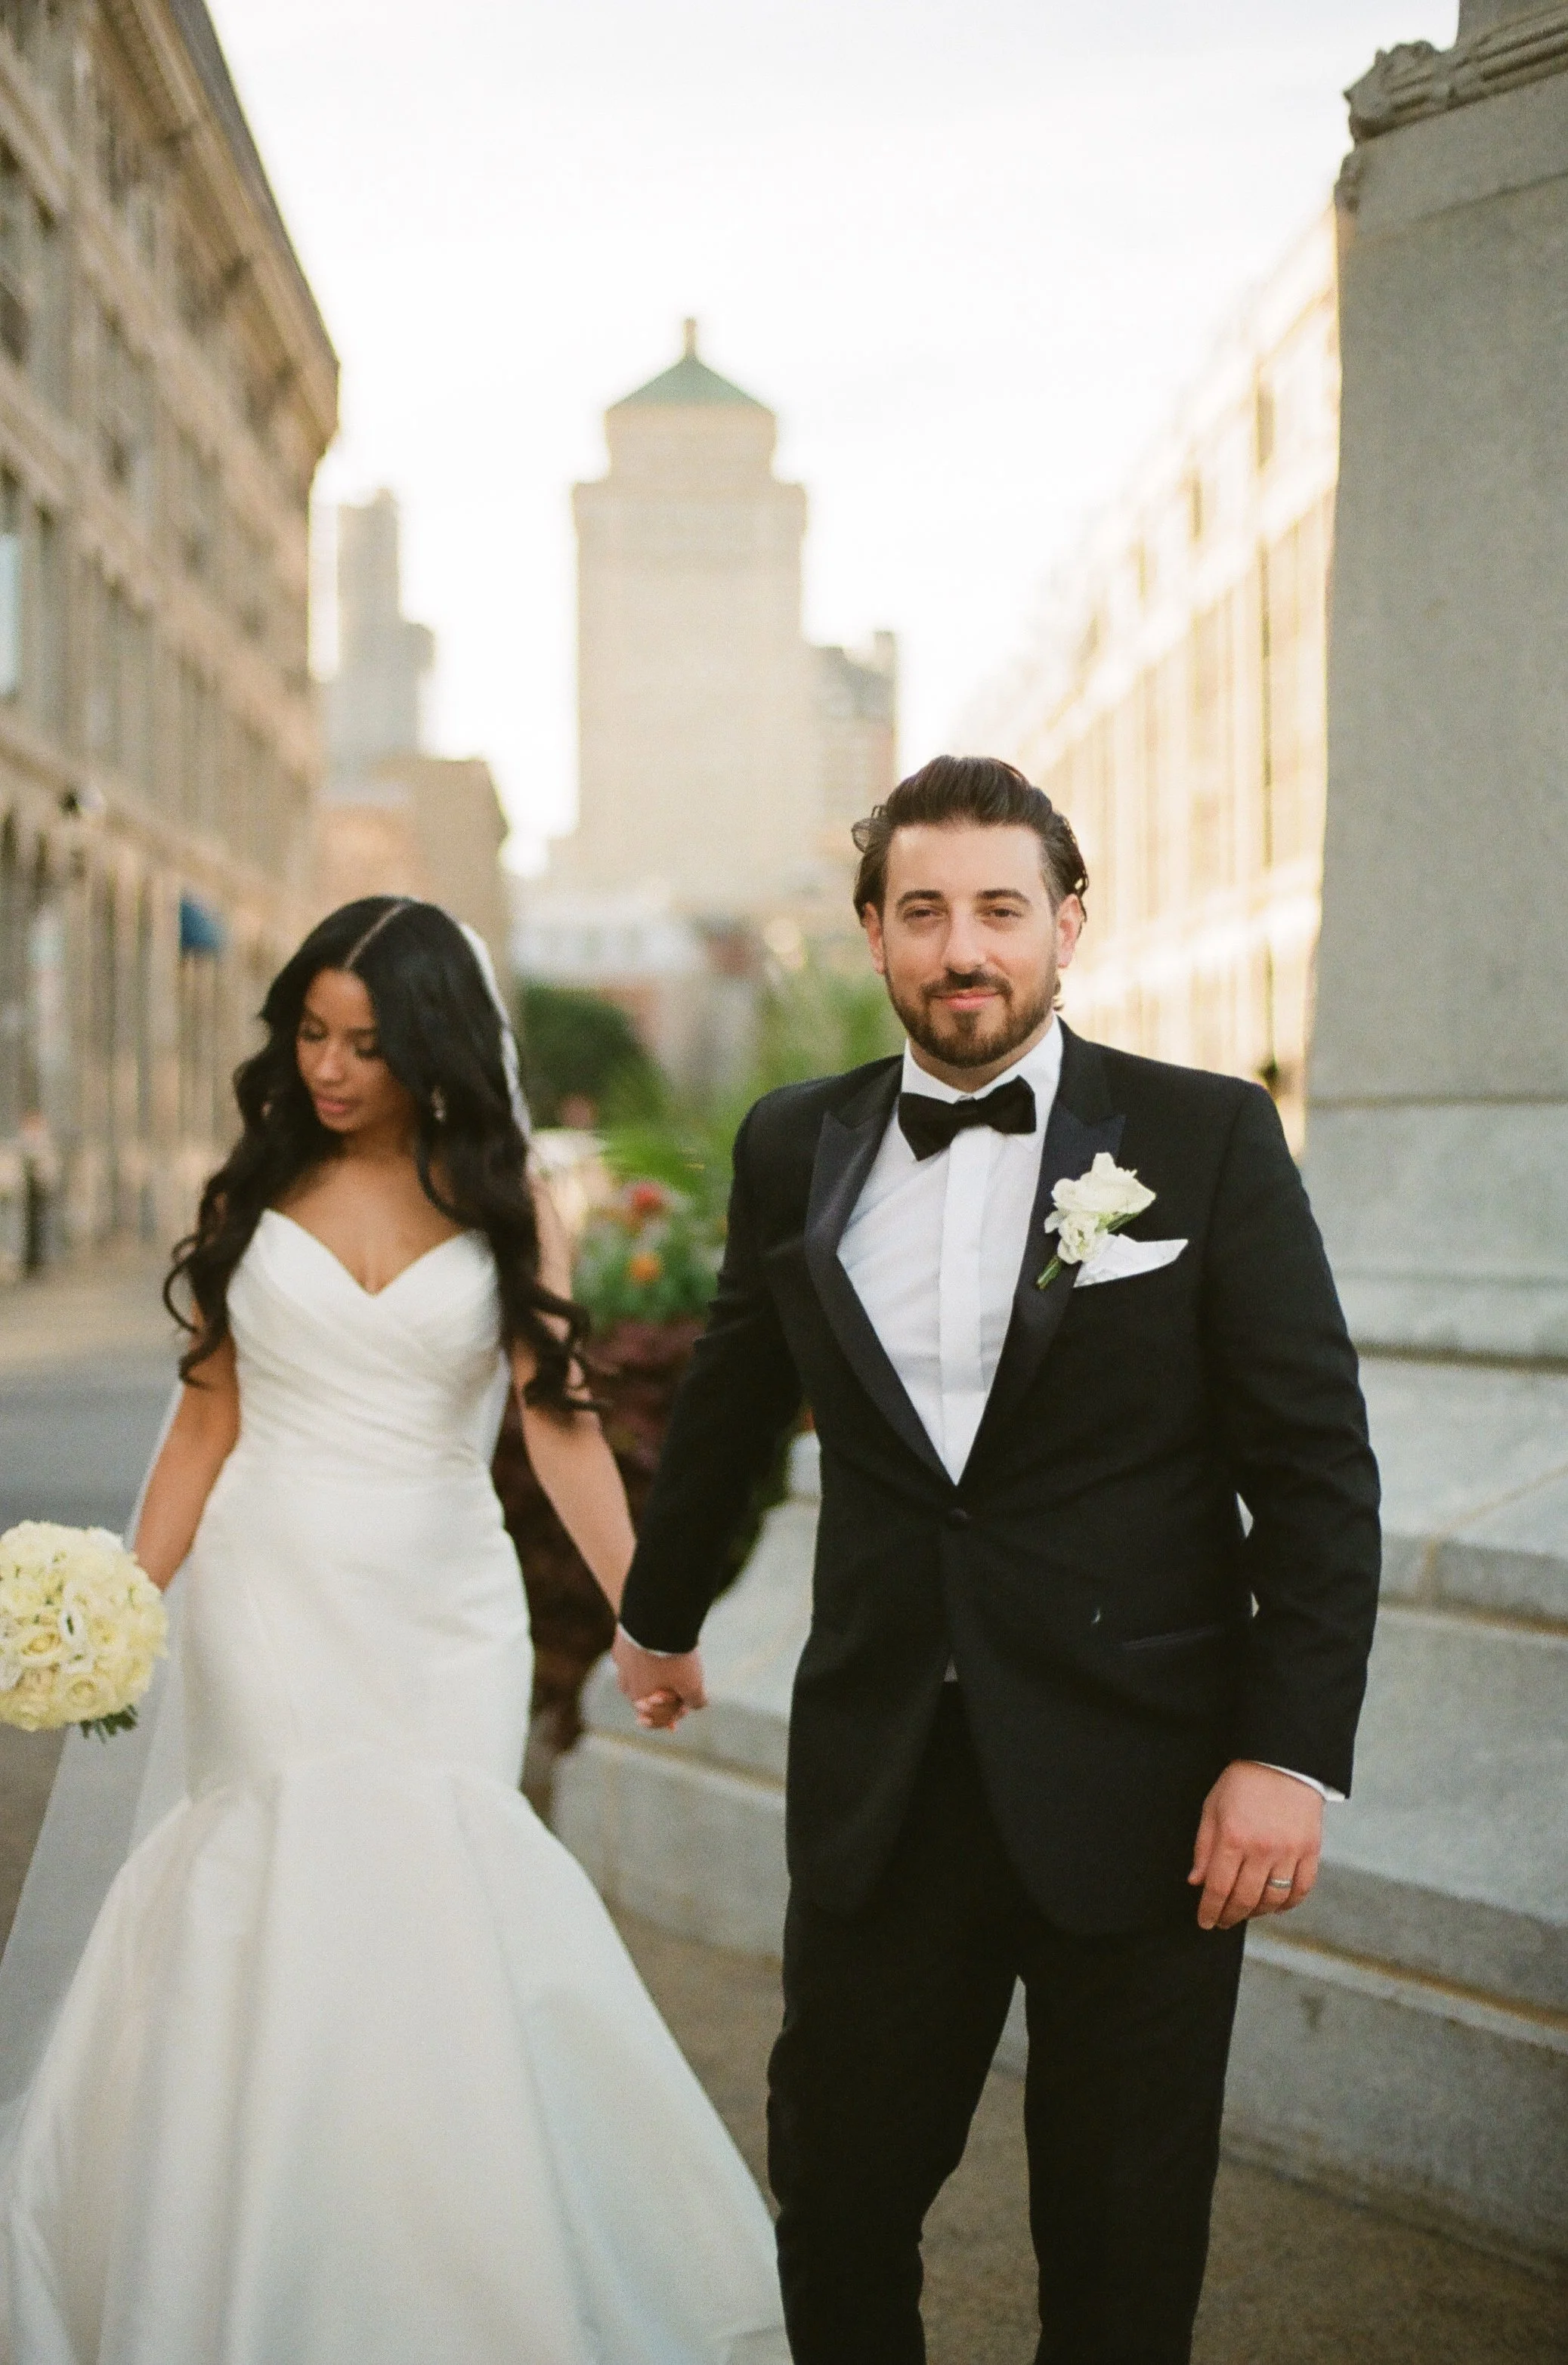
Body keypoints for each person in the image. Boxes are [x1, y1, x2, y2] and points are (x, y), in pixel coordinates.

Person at [614, 757, 1381, 2365]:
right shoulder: (789, 1145)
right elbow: (735, 1397)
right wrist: (657, 1612)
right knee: (835, 2200)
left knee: (1116, 2249)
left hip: (1149, 1787)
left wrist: (1284, 1750)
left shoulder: (1205, 1135)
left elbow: (1310, 1474)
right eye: (921, 911)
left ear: (1065, 924)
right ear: (874, 934)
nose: (960, 948)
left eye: (996, 908)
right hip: (885, 1778)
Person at [0, 896, 787, 2365]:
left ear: (431, 1042)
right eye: (309, 1032)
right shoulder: (258, 1186)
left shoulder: (498, 1194)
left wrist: (646, 1611)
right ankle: (233, 2258)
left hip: (442, 1604)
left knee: (432, 1884)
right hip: (268, 1588)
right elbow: (202, 1425)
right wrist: (113, 1599)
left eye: (364, 1039)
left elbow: (557, 1422)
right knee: (271, 1882)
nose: (329, 1066)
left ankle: (441, 2274)